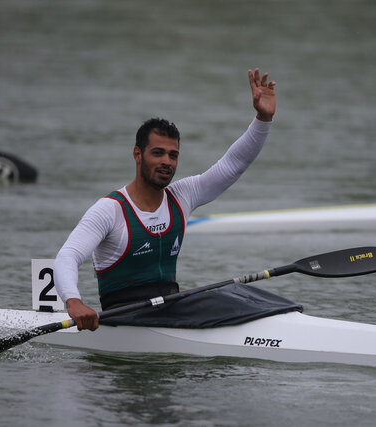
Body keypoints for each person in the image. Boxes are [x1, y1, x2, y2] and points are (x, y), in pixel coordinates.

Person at [54, 68, 276, 331]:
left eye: (173, 155)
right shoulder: (110, 210)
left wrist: (263, 118)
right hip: (125, 317)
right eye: (157, 153)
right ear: (137, 154)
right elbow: (67, 256)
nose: (166, 162)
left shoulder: (182, 195)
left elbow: (233, 164)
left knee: (245, 294)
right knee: (226, 299)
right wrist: (73, 301)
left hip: (170, 309)